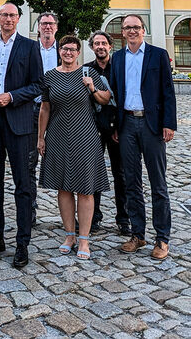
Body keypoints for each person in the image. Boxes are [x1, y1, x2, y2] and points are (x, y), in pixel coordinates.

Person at [0, 3, 43, 269]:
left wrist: (12, 96)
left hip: (19, 122)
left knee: (23, 185)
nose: (7, 19)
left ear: (18, 19)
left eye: (12, 15)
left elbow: (38, 85)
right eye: (3, 15)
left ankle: (22, 243)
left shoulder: (29, 46)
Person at [109, 14, 177, 260]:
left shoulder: (157, 55)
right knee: (131, 182)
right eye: (127, 28)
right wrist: (115, 124)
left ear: (143, 30)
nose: (132, 31)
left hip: (152, 125)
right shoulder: (118, 58)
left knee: (158, 183)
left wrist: (169, 124)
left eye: (136, 27)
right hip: (127, 124)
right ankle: (137, 234)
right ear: (123, 32)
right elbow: (115, 94)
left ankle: (162, 238)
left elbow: (168, 91)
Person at [37, 35, 110, 260]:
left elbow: (105, 99)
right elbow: (45, 109)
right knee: (63, 188)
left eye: (73, 49)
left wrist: (92, 89)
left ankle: (84, 239)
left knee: (86, 189)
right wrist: (41, 137)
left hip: (85, 136)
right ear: (59, 51)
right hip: (58, 135)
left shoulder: (89, 74)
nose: (68, 52)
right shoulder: (50, 76)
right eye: (64, 49)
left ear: (78, 52)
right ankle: (69, 235)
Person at [88, 30, 131, 236]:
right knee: (94, 175)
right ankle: (94, 217)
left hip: (117, 129)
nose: (100, 47)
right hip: (93, 130)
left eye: (103, 43)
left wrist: (119, 127)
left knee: (120, 175)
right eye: (96, 43)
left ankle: (123, 219)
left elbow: (124, 100)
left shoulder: (119, 69)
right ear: (92, 47)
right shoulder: (86, 71)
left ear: (110, 46)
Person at [28, 12, 60, 227]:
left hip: (60, 111)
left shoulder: (66, 50)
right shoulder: (29, 50)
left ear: (56, 27)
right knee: (28, 162)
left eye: (51, 23)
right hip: (33, 109)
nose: (47, 27)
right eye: (43, 24)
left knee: (65, 160)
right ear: (38, 27)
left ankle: (71, 214)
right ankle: (30, 210)